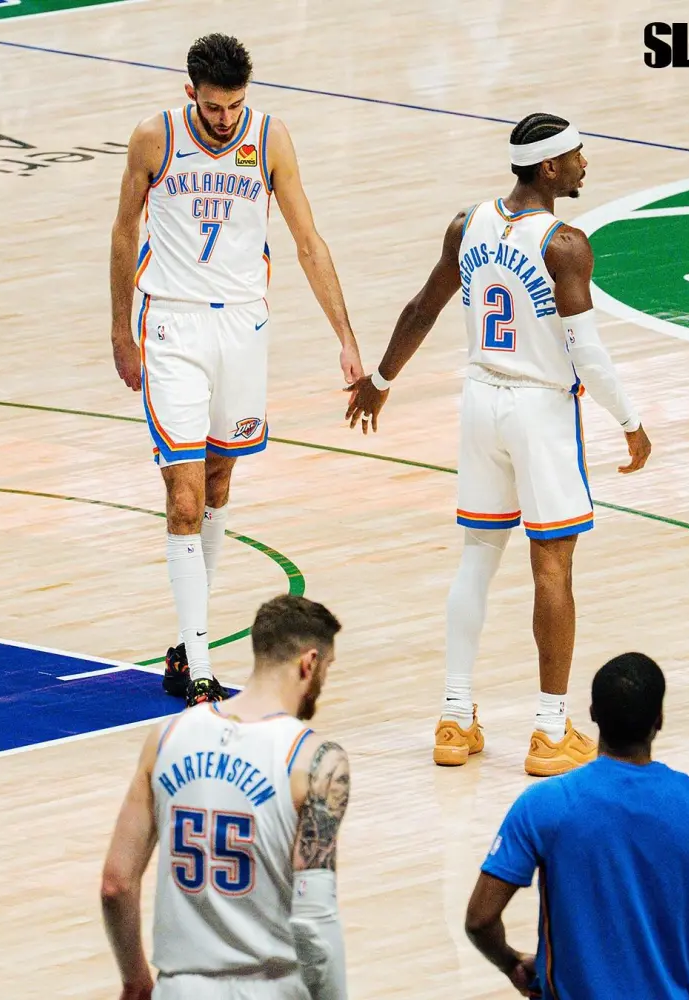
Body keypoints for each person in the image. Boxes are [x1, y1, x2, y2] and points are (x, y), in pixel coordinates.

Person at [344, 113, 651, 775]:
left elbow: (424, 305)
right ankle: (547, 729)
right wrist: (630, 419)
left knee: (476, 559)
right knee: (552, 567)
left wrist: (380, 378)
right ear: (547, 168)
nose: (583, 164)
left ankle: (454, 721)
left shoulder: (467, 225)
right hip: (538, 407)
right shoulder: (564, 243)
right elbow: (587, 353)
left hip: (480, 402)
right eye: (574, 156)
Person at [110, 33, 363, 706]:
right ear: (191, 92)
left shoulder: (271, 138)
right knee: (184, 497)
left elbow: (308, 241)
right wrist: (119, 331)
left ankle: (183, 645)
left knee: (218, 482)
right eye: (215, 107)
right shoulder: (154, 138)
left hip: (243, 325)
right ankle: (197, 667)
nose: (225, 119)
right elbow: (122, 234)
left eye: (235, 106)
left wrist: (346, 336)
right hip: (172, 324)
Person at [101, 594, 350, 1000]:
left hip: (180, 987)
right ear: (309, 663)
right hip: (273, 986)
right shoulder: (316, 761)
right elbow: (314, 920)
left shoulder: (167, 737)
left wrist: (135, 980)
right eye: (327, 668)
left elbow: (116, 884)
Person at [465, 652, 689, 999]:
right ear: (659, 719)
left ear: (593, 713)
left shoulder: (546, 804)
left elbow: (480, 919)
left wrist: (511, 964)